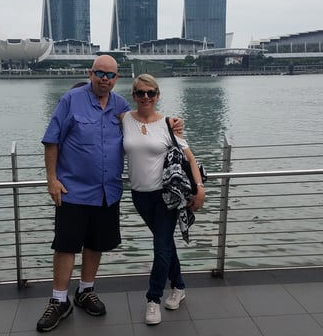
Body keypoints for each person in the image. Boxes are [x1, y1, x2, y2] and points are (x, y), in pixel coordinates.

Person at [36, 55, 130, 332]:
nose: (104, 79)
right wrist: (52, 179)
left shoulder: (120, 106)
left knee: (95, 243)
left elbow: (143, 125)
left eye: (110, 75)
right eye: (100, 73)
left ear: (117, 78)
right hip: (73, 190)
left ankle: (85, 290)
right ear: (90, 73)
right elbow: (51, 140)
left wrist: (171, 123)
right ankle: (59, 300)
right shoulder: (71, 100)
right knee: (65, 245)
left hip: (107, 191)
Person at [121, 73, 205, 325]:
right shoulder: (123, 119)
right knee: (165, 242)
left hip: (166, 195)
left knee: (160, 247)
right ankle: (178, 286)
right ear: (133, 96)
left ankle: (153, 298)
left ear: (157, 96)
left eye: (150, 93)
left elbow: (190, 158)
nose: (145, 97)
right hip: (139, 195)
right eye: (140, 93)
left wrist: (199, 188)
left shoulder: (169, 124)